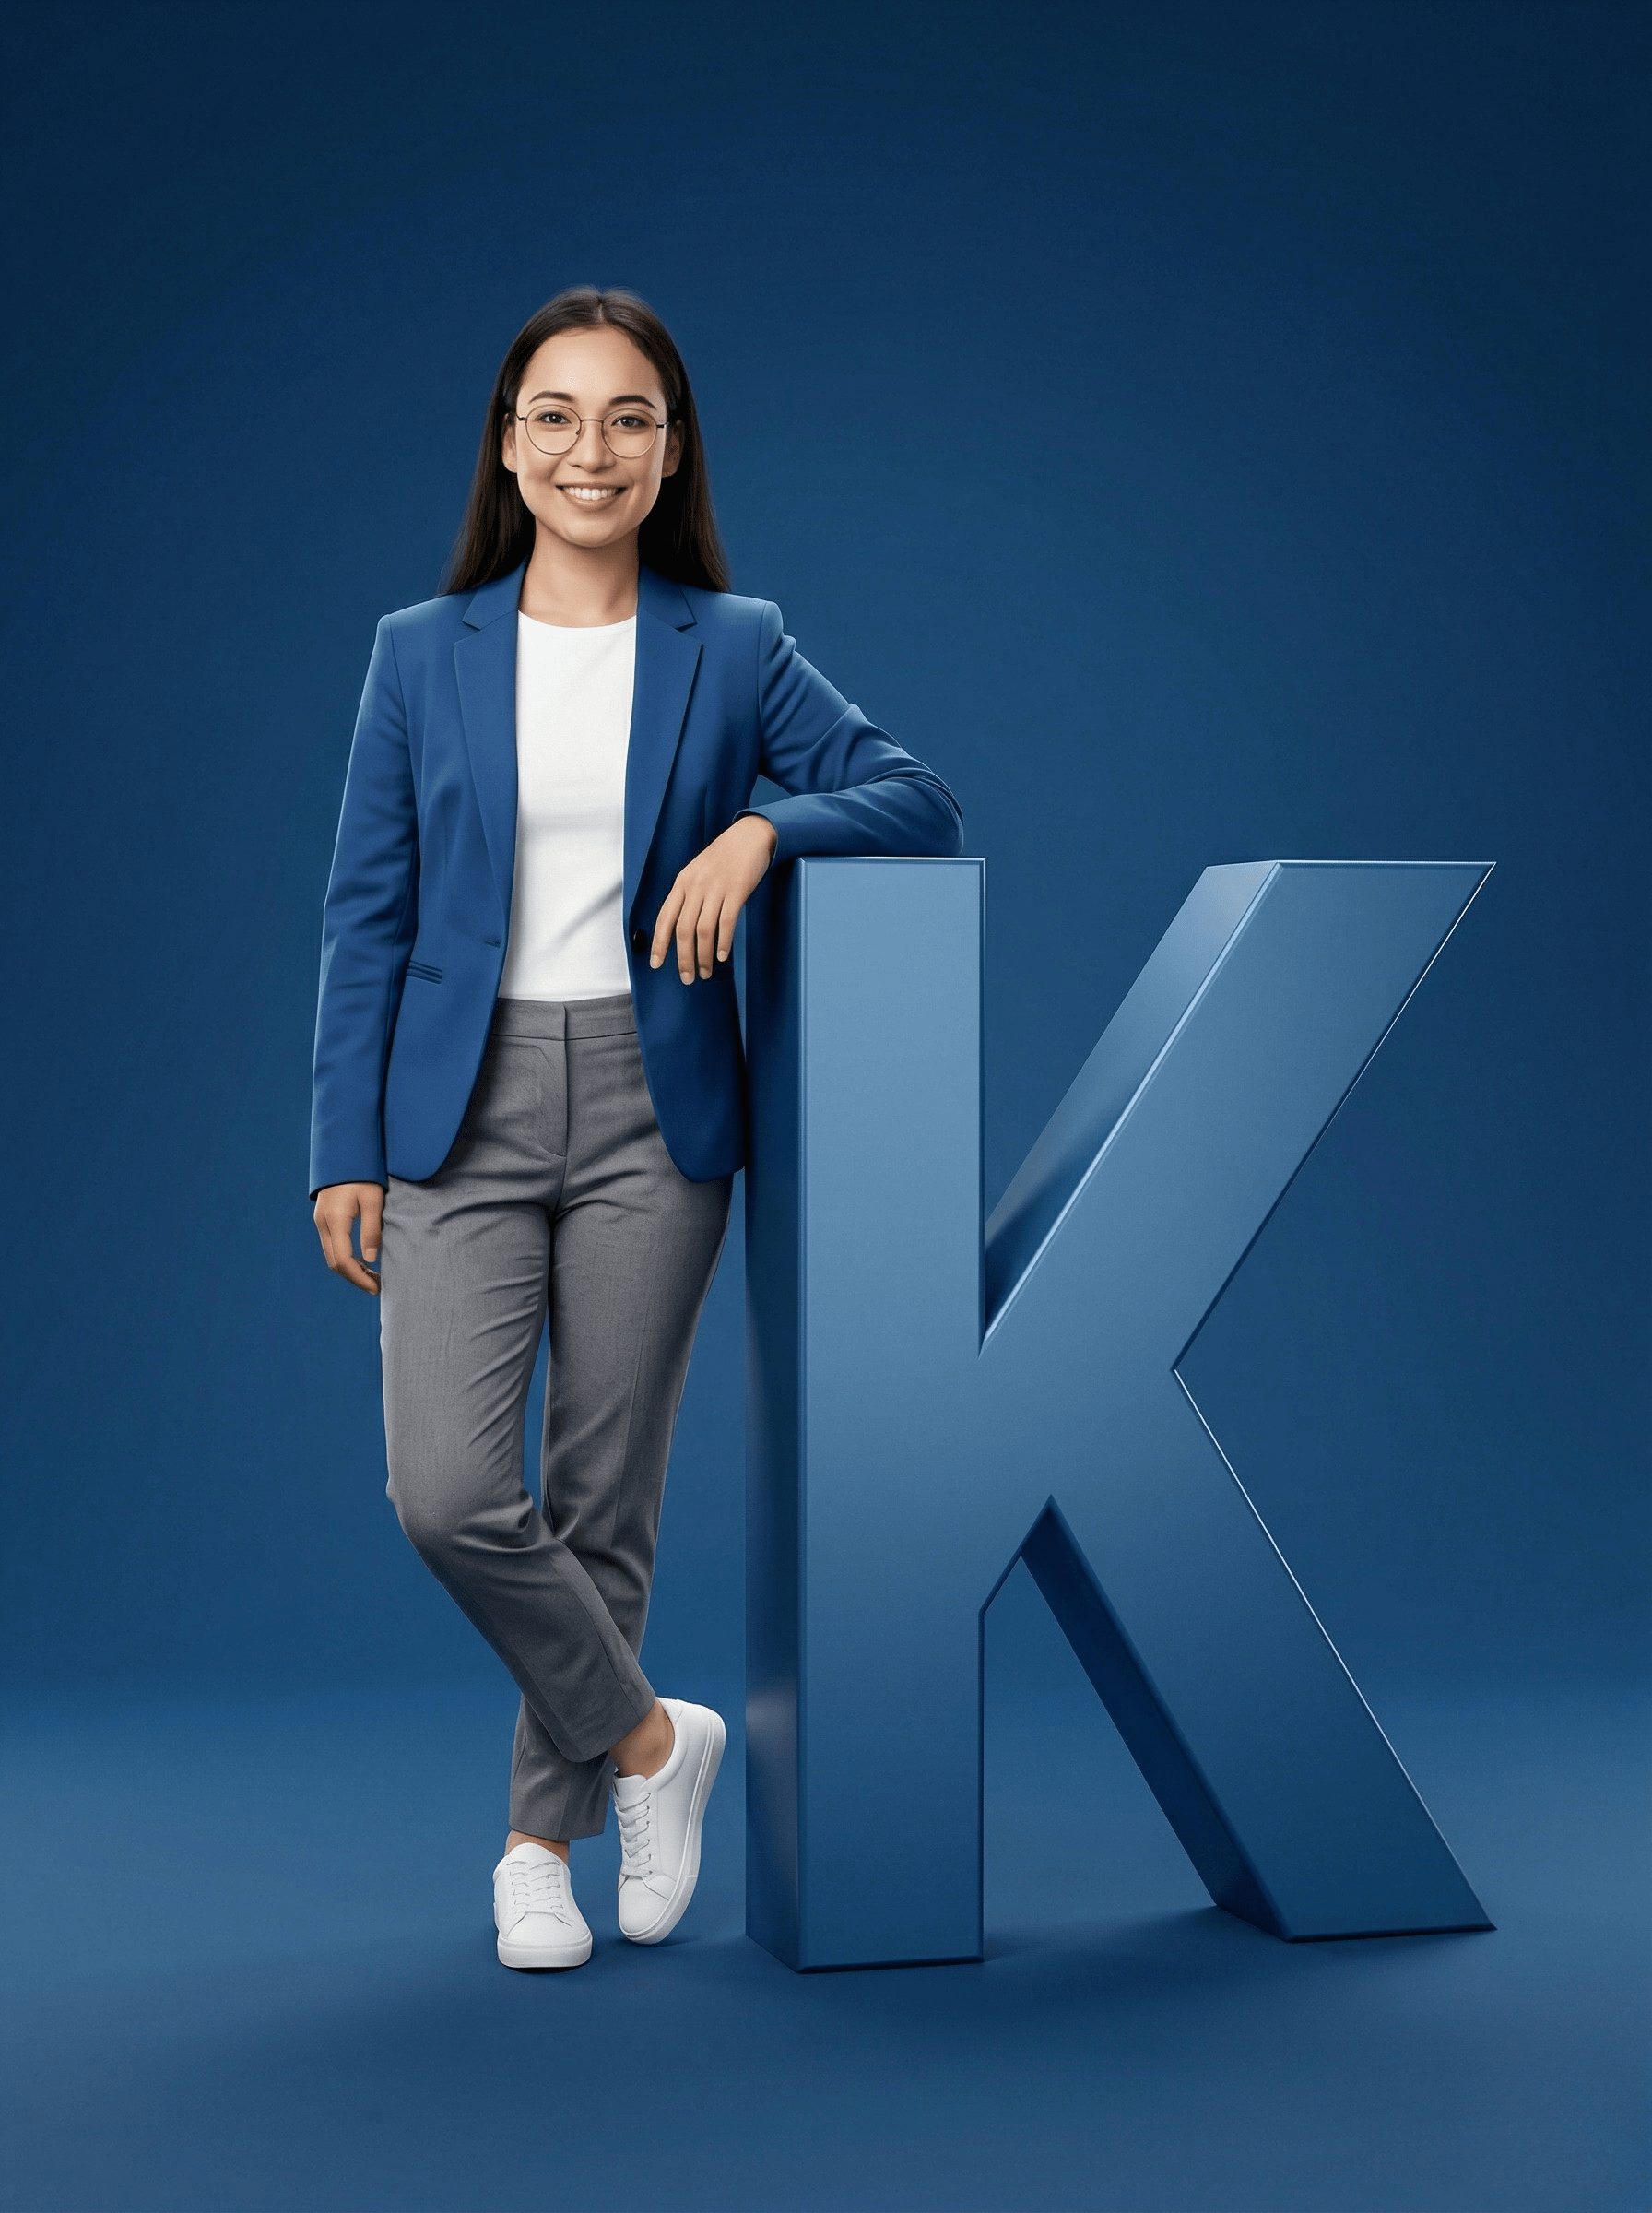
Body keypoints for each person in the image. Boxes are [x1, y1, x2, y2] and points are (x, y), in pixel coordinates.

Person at [309, 286, 963, 1971]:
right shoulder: (418, 651)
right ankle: (657, 1746)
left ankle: (540, 1846)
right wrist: (341, 1144)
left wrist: (766, 833)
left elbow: (916, 794)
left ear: (670, 453)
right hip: (456, 1106)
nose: (589, 450)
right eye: (556, 417)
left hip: (657, 1105)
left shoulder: (733, 645)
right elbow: (364, 917)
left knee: (606, 1494)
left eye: (628, 419)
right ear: (508, 446)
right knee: (448, 1491)